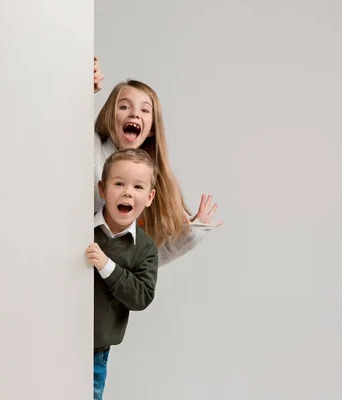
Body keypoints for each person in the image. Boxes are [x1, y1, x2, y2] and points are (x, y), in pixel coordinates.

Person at [93, 59, 221, 265]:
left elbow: (149, 258)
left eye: (145, 110)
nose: (134, 113)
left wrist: (193, 233)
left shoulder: (153, 180)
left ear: (151, 128)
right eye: (124, 106)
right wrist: (84, 89)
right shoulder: (92, 148)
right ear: (110, 115)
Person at [86, 148, 159, 400]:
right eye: (119, 183)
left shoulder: (146, 248)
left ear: (149, 197)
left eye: (138, 187)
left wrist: (107, 266)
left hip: (95, 350)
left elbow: (142, 296)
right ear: (102, 189)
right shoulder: (78, 228)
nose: (128, 191)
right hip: (55, 336)